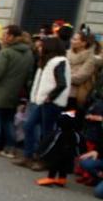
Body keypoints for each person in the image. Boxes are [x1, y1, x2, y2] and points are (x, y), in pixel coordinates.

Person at [16, 37, 70, 169]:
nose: (39, 49)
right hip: (42, 101)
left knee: (47, 132)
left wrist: (50, 97)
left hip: (52, 103)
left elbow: (62, 83)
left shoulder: (59, 62)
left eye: (42, 47)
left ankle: (44, 160)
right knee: (29, 126)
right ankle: (28, 156)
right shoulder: (47, 62)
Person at [0, 24, 34, 158]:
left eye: (5, 34)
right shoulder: (29, 53)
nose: (2, 37)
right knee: (8, 121)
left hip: (0, 91)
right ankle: (10, 147)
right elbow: (29, 75)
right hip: (15, 92)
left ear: (11, 36)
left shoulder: (6, 52)